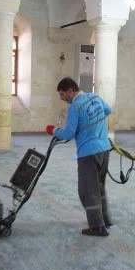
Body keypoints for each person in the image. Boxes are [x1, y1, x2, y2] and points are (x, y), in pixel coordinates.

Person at [46, 77, 113, 237]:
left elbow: (68, 134)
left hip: (88, 153)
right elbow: (108, 110)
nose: (61, 98)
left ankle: (97, 228)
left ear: (70, 91)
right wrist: (95, 123)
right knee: (99, 187)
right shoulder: (94, 97)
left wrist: (53, 130)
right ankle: (105, 220)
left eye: (62, 94)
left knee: (87, 191)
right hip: (104, 150)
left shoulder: (75, 107)